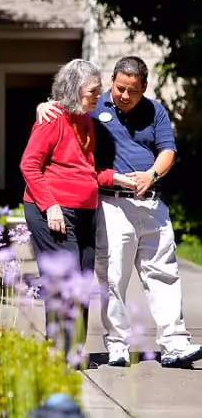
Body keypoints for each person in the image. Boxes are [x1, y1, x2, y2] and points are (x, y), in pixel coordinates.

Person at [37, 56, 202, 368]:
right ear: (112, 81)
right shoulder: (97, 107)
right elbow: (62, 107)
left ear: (144, 88)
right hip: (112, 202)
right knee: (113, 277)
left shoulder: (156, 111)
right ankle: (118, 346)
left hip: (152, 202)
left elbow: (168, 150)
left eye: (133, 90)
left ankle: (175, 345)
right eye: (120, 87)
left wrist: (152, 174)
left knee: (164, 273)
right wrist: (42, 105)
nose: (125, 95)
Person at [20, 59, 128, 366]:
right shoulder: (52, 118)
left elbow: (87, 171)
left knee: (81, 282)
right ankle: (59, 351)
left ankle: (74, 351)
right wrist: (50, 204)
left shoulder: (87, 122)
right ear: (74, 89)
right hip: (52, 211)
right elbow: (29, 165)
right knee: (62, 282)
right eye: (93, 91)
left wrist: (114, 178)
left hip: (84, 211)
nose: (98, 95)